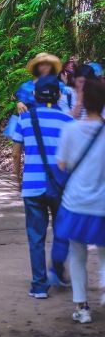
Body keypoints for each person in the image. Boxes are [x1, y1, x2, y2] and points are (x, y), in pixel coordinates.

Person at [11, 75, 74, 299]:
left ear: (35, 94)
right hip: (60, 187)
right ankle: (57, 268)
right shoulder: (68, 122)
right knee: (62, 231)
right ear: (58, 95)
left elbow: (16, 153)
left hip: (33, 185)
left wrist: (17, 179)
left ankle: (39, 285)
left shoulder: (24, 119)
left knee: (36, 237)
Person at [54, 79, 105, 323]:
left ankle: (82, 307)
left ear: (83, 100)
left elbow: (61, 165)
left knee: (77, 254)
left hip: (75, 202)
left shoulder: (70, 130)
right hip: (102, 204)